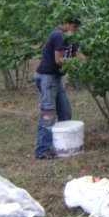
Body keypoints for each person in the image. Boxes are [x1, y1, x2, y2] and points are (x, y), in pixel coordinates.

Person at [34, 16, 86, 159]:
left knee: (65, 111)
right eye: (74, 27)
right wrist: (75, 64)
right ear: (66, 24)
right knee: (48, 115)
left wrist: (89, 63)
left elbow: (76, 53)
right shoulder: (59, 35)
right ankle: (42, 151)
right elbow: (59, 60)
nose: (75, 31)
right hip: (47, 78)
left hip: (56, 78)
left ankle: (64, 144)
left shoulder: (68, 37)